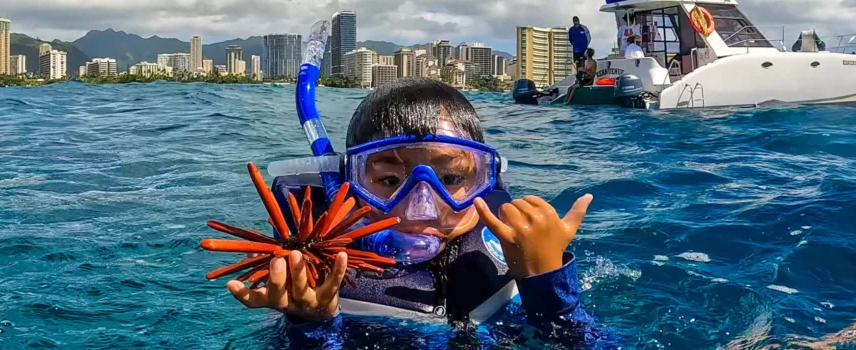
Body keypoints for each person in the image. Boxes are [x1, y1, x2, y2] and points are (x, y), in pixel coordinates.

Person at [226, 78, 620, 348]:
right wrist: (310, 322)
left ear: (485, 177)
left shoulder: (514, 250)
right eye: (388, 180)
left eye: (450, 178)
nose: (422, 207)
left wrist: (547, 281)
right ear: (353, 184)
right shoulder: (321, 275)